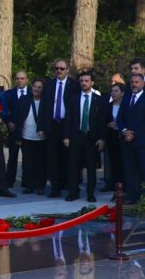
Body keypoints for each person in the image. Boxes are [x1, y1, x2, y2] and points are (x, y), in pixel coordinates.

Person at [39, 59, 80, 198]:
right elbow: (43, 107)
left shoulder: (74, 85)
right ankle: (55, 189)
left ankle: (71, 189)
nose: (59, 71)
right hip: (52, 125)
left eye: (62, 68)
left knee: (69, 159)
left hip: (67, 125)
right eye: (56, 68)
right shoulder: (49, 85)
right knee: (52, 159)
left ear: (67, 70)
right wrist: (41, 126)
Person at [62, 72, 105, 202]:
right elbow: (68, 119)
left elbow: (102, 121)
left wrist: (102, 138)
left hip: (91, 138)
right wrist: (66, 136)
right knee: (73, 166)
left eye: (87, 81)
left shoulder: (99, 100)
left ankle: (90, 194)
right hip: (76, 136)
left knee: (91, 168)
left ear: (92, 83)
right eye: (82, 81)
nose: (84, 83)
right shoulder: (74, 98)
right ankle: (73, 192)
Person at [15, 78, 46, 195]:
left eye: (39, 87)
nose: (36, 89)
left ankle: (40, 186)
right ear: (31, 87)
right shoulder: (24, 99)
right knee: (27, 163)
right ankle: (29, 185)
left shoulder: (45, 101)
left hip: (41, 137)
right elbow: (18, 118)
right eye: (35, 86)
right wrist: (18, 137)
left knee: (41, 163)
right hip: (26, 136)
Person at [118, 73, 144, 204]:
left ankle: (142, 198)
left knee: (142, 170)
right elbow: (119, 119)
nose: (134, 84)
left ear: (143, 83)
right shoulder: (127, 98)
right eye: (132, 82)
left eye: (137, 82)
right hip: (127, 141)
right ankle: (131, 197)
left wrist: (134, 134)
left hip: (141, 142)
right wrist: (125, 131)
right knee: (129, 170)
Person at [4, 71, 30, 189]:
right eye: (18, 78)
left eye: (22, 78)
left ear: (27, 80)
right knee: (12, 156)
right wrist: (8, 122)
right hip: (13, 129)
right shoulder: (9, 94)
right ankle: (9, 181)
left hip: (28, 130)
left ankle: (26, 181)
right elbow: (4, 111)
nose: (20, 80)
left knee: (27, 158)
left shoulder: (33, 92)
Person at [102, 82, 125, 192]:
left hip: (123, 137)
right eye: (112, 91)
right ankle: (112, 184)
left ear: (122, 93)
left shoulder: (126, 106)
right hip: (111, 137)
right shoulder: (108, 106)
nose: (113, 93)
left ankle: (122, 185)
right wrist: (108, 124)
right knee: (112, 162)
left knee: (122, 162)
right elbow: (103, 120)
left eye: (116, 91)